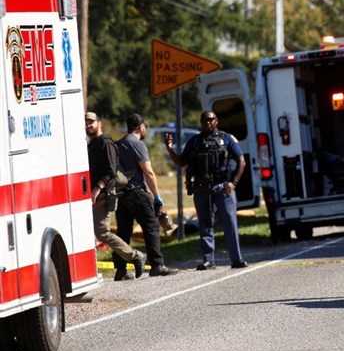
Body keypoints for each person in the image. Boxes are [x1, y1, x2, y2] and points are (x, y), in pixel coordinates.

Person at [164, 111, 248, 270]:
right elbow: (181, 162)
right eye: (204, 121)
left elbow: (241, 161)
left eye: (210, 120)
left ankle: (236, 259)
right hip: (202, 189)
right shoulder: (195, 142)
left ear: (217, 121)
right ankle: (208, 260)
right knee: (205, 224)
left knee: (230, 223)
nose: (207, 123)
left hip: (223, 188)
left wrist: (233, 183)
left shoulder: (227, 139)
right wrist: (169, 148)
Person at [85, 112, 147, 281]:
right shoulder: (91, 144)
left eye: (91, 122)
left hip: (103, 195)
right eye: (86, 122)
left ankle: (135, 256)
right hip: (89, 195)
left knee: (102, 233)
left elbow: (111, 171)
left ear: (100, 123)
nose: (88, 125)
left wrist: (98, 187)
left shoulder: (106, 143)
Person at [115, 114, 178, 277]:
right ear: (140, 127)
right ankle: (157, 265)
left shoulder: (118, 144)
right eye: (145, 127)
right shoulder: (137, 144)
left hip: (121, 195)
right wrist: (157, 195)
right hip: (137, 193)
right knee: (151, 227)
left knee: (123, 232)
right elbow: (148, 172)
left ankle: (120, 270)